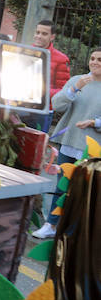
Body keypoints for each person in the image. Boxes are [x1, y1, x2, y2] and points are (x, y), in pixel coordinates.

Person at [32, 48, 101, 239]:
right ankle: (51, 225)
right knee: (61, 186)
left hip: (93, 147)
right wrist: (74, 88)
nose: (95, 62)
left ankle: (72, 232)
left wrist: (95, 123)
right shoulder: (78, 80)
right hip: (69, 141)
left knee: (83, 192)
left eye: (100, 60)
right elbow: (57, 103)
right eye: (93, 58)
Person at [33, 19, 70, 100]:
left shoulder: (61, 59)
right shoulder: (23, 52)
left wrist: (42, 91)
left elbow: (63, 90)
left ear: (52, 37)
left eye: (44, 34)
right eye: (37, 32)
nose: (39, 36)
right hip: (20, 102)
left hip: (43, 108)